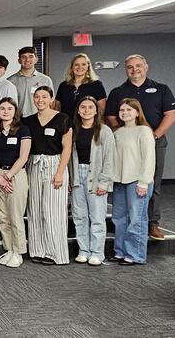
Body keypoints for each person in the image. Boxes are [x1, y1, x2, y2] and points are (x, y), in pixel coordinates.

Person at [104, 54, 175, 241]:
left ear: (146, 67)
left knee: (152, 181)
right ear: (126, 70)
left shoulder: (161, 89)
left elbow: (170, 115)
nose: (134, 69)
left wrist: (154, 135)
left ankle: (152, 223)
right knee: (124, 181)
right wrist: (125, 135)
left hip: (155, 141)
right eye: (130, 67)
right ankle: (128, 221)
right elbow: (111, 117)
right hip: (127, 143)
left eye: (138, 66)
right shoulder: (118, 92)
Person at [22, 86, 72, 265]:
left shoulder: (63, 118)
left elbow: (67, 148)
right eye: (37, 97)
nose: (40, 100)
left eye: (44, 96)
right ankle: (38, 250)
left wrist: (60, 172)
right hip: (34, 165)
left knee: (53, 211)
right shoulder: (27, 121)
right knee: (35, 209)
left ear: (51, 98)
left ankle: (55, 253)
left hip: (55, 164)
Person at [70, 96, 115, 267]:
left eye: (90, 107)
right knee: (79, 216)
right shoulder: (73, 130)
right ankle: (84, 251)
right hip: (77, 176)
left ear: (96, 110)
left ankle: (97, 253)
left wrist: (104, 182)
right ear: (78, 110)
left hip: (96, 177)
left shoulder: (104, 131)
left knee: (97, 217)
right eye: (83, 107)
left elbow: (110, 159)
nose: (86, 110)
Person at [111, 98, 156, 265]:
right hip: (120, 181)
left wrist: (143, 182)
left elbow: (149, 159)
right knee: (119, 219)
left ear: (137, 112)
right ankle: (120, 252)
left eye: (129, 110)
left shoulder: (144, 131)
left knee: (136, 219)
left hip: (137, 182)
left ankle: (134, 254)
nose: (125, 113)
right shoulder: (117, 132)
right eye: (122, 110)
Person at [0, 98, 31, 268]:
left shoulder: (23, 130)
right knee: (3, 216)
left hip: (16, 175)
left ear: (15, 111)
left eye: (9, 108)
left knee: (16, 216)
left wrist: (8, 176)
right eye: (2, 108)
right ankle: (8, 249)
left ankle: (18, 251)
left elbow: (24, 156)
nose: (5, 111)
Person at [55, 54, 106, 119]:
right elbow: (57, 108)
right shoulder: (63, 86)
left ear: (88, 67)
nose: (80, 67)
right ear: (72, 67)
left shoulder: (97, 85)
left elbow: (101, 110)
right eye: (76, 65)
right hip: (66, 125)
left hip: (88, 125)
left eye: (83, 64)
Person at [8, 46, 54, 118]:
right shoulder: (10, 81)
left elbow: (51, 103)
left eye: (31, 56)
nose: (27, 59)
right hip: (18, 121)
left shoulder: (46, 80)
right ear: (19, 60)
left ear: (36, 59)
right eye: (23, 57)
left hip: (40, 119)